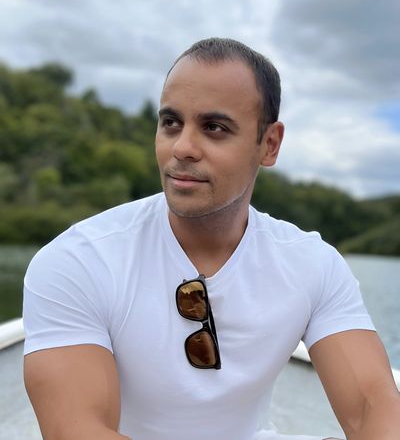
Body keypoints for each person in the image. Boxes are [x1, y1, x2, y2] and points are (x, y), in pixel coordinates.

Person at [23, 38, 400, 440]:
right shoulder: (78, 260)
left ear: (269, 145)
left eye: (214, 128)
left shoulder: (314, 264)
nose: (182, 147)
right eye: (171, 123)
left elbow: (371, 408)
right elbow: (77, 430)